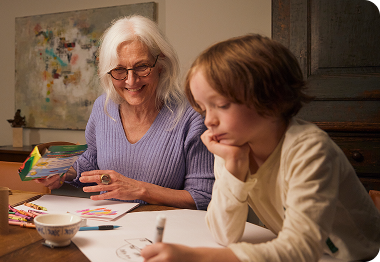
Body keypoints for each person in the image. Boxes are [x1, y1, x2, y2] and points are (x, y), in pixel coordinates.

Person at [141, 34, 380, 261]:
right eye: (204, 109)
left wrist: (198, 257)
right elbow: (224, 234)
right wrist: (234, 167)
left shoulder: (310, 150)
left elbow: (301, 249)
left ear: (271, 97)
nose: (209, 121)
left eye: (222, 105)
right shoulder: (232, 146)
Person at [35, 15, 215, 210]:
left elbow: (203, 197)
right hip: (108, 225)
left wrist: (141, 190)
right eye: (119, 70)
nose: (131, 81)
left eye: (142, 67)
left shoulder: (192, 115)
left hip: (165, 232)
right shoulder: (102, 107)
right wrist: (64, 172)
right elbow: (91, 163)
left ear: (161, 63)